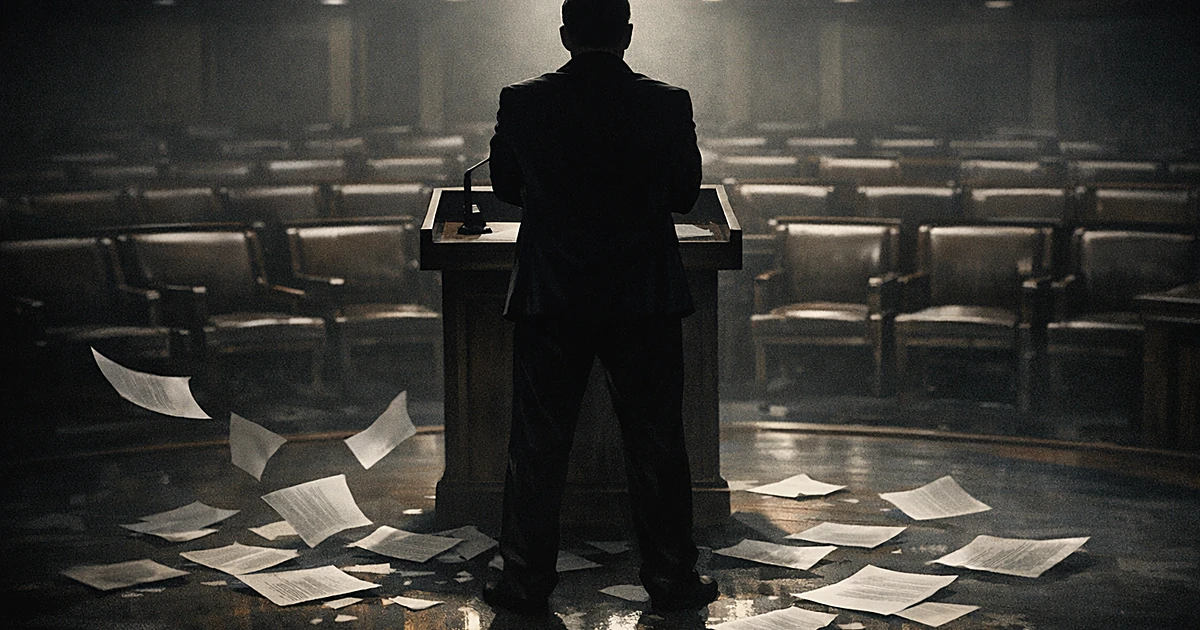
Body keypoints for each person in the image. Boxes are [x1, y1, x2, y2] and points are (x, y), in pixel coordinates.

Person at [482, 0, 719, 617]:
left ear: (565, 35)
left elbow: (504, 187)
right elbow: (684, 195)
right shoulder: (668, 102)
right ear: (628, 35)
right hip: (642, 294)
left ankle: (525, 582)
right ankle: (671, 578)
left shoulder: (523, 100)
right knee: (657, 445)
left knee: (537, 448)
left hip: (552, 294)